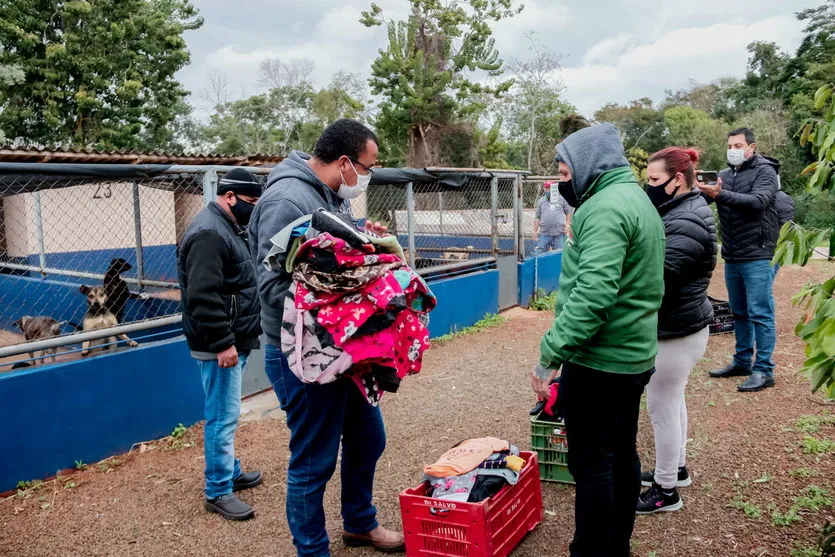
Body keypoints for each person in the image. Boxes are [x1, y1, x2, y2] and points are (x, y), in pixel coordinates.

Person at [248, 119, 404, 556]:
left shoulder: (327, 196)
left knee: (369, 437)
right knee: (313, 461)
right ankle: (312, 550)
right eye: (367, 167)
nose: (367, 176)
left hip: (340, 347)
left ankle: (358, 524)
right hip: (300, 350)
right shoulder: (286, 200)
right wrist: (348, 296)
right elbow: (272, 288)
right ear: (343, 162)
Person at [531, 123, 665, 556]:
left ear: (588, 166)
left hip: (601, 362)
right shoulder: (636, 199)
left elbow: (594, 294)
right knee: (622, 455)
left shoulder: (604, 208)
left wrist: (550, 354)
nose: (560, 182)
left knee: (592, 466)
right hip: (633, 356)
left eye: (565, 172)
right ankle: (616, 547)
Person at [177, 168, 264, 520]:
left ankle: (229, 470)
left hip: (231, 339)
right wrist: (223, 343)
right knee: (221, 417)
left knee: (226, 413)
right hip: (219, 345)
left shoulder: (227, 227)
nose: (253, 210)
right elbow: (202, 297)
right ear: (229, 197)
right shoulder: (209, 233)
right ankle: (217, 490)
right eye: (249, 203)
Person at [637, 148, 717, 515]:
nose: (649, 187)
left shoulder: (687, 221)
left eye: (654, 181)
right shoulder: (680, 211)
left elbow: (660, 279)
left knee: (662, 407)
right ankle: (676, 469)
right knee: (673, 401)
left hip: (676, 331)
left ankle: (666, 491)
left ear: (678, 180)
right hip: (683, 326)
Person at [698, 128, 780, 393]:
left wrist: (718, 195)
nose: (733, 149)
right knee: (739, 311)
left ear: (751, 147)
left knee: (760, 312)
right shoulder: (722, 175)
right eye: (730, 144)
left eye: (738, 144)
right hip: (732, 254)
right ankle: (743, 361)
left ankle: (764, 369)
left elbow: (758, 201)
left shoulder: (765, 171)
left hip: (758, 252)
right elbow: (705, 201)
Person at [533, 180, 572, 254]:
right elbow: (537, 217)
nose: (547, 190)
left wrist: (567, 225)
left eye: (549, 188)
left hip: (559, 234)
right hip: (544, 234)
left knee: (560, 256)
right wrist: (534, 231)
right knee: (538, 255)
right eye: (546, 188)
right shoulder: (541, 201)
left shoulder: (561, 199)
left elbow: (568, 213)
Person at [772, 185, 795, 279]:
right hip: (767, 248)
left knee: (766, 285)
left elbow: (787, 226)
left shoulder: (782, 199)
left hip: (772, 249)